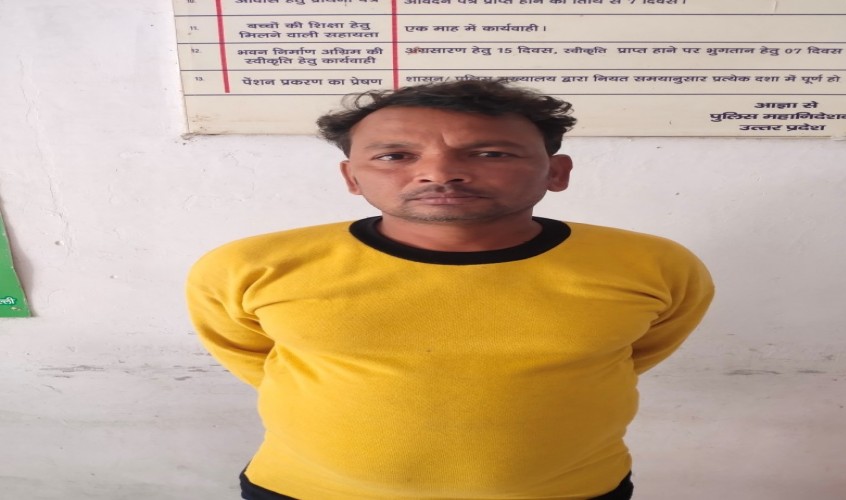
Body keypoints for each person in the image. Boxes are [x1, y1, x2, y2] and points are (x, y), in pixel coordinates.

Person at [185, 79, 714, 500]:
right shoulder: (252, 267)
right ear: (352, 177)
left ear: (556, 172)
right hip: (304, 490)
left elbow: (633, 354)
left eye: (491, 154)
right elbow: (254, 357)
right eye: (395, 156)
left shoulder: (653, 266)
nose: (440, 173)